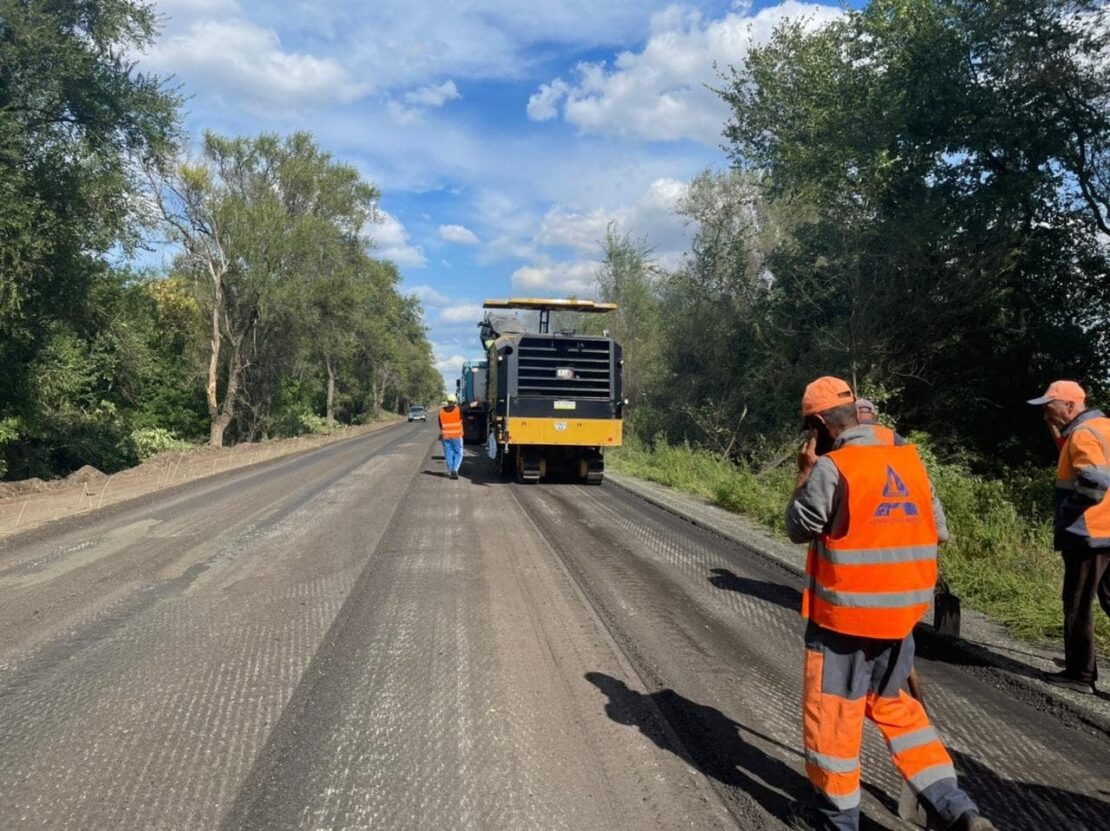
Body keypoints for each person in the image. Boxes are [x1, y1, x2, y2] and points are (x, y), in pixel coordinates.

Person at [785, 377, 992, 831]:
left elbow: (799, 527)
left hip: (843, 619)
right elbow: (936, 529)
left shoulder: (833, 467)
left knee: (833, 722)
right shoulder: (910, 460)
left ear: (821, 424)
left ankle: (834, 819)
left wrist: (805, 472)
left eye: (810, 428)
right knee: (898, 709)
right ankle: (955, 807)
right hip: (900, 619)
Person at [1027, 380, 1110, 695]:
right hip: (1108, 531)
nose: (1046, 413)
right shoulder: (1104, 428)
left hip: (1089, 533)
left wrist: (1070, 510)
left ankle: (1080, 674)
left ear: (1071, 406)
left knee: (1077, 602)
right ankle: (1082, 666)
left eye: (1050, 406)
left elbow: (1095, 479)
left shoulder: (1084, 434)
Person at [438, 394, 464, 480]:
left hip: (446, 436)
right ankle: (454, 469)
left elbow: (441, 425)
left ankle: (451, 470)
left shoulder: (441, 412)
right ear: (455, 402)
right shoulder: (458, 410)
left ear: (448, 402)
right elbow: (467, 408)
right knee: (458, 453)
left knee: (448, 453)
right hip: (456, 436)